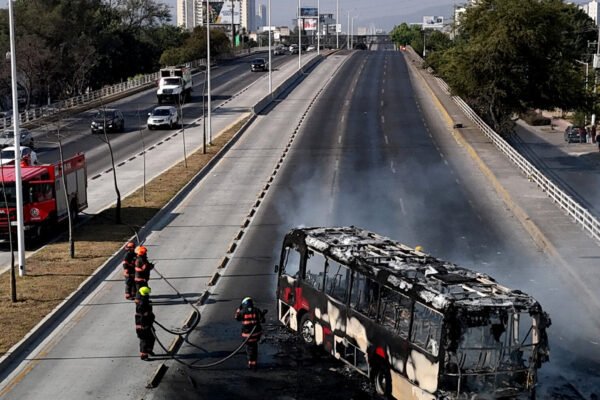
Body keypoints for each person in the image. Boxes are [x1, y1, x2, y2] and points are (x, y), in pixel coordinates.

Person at [234, 297, 266, 369]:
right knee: (254, 347)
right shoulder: (256, 310)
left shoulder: (242, 311)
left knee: (249, 348)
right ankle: (254, 362)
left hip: (247, 336)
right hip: (256, 335)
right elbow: (262, 320)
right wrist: (262, 314)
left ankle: (250, 362)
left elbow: (237, 317)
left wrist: (238, 309)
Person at [135, 286, 155, 360]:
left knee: (151, 337)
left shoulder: (145, 301)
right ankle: (143, 355)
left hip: (147, 323)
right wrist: (144, 325)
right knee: (144, 340)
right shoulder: (142, 304)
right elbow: (143, 315)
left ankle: (149, 350)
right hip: (142, 325)